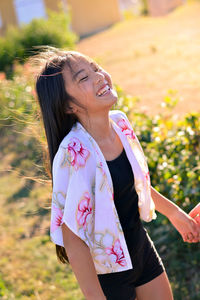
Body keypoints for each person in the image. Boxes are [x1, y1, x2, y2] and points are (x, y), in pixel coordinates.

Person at [33, 47, 200, 300]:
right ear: (67, 106)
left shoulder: (120, 123)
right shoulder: (75, 152)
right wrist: (95, 296)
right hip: (107, 273)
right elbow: (72, 235)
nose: (99, 76)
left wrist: (174, 214)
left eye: (96, 68)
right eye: (84, 77)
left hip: (140, 249)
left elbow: (137, 182)